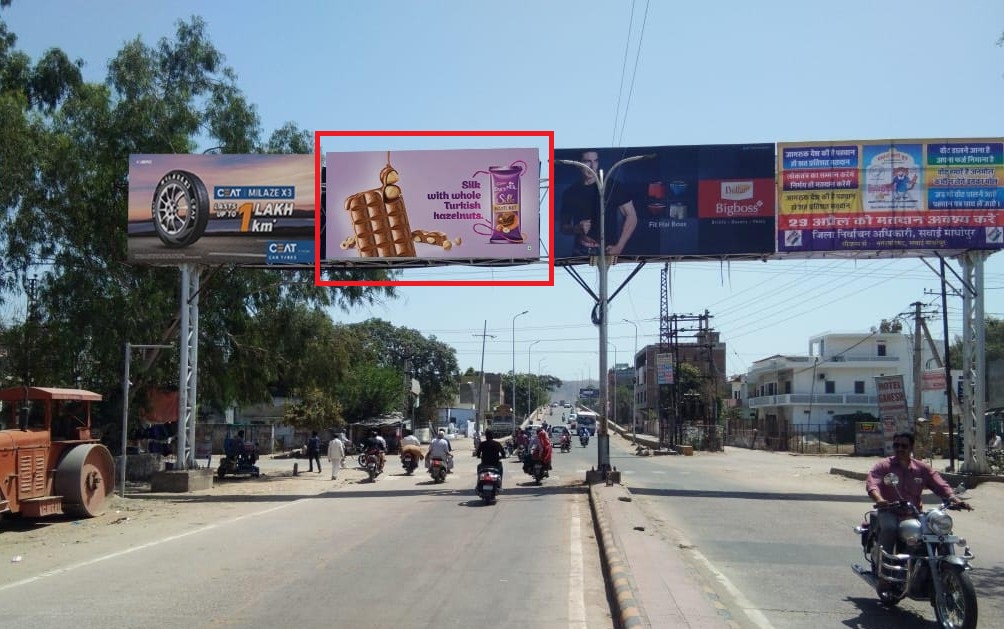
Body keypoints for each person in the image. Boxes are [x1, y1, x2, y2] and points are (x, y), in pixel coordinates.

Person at [865, 432, 962, 570]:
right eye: (896, 445)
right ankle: (883, 569)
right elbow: (873, 483)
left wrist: (954, 498)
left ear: (911, 448)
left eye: (904, 446)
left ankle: (941, 566)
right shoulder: (884, 466)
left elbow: (940, 484)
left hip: (914, 513)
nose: (899, 448)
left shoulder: (921, 468)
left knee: (940, 531)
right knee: (890, 528)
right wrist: (879, 499)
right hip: (889, 510)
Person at [559, 149, 638, 257]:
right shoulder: (570, 192)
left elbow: (632, 216)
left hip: (608, 250)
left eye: (595, 161)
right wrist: (576, 228)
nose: (592, 166)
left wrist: (619, 246)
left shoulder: (611, 185)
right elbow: (563, 227)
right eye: (587, 161)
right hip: (581, 249)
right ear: (578, 164)